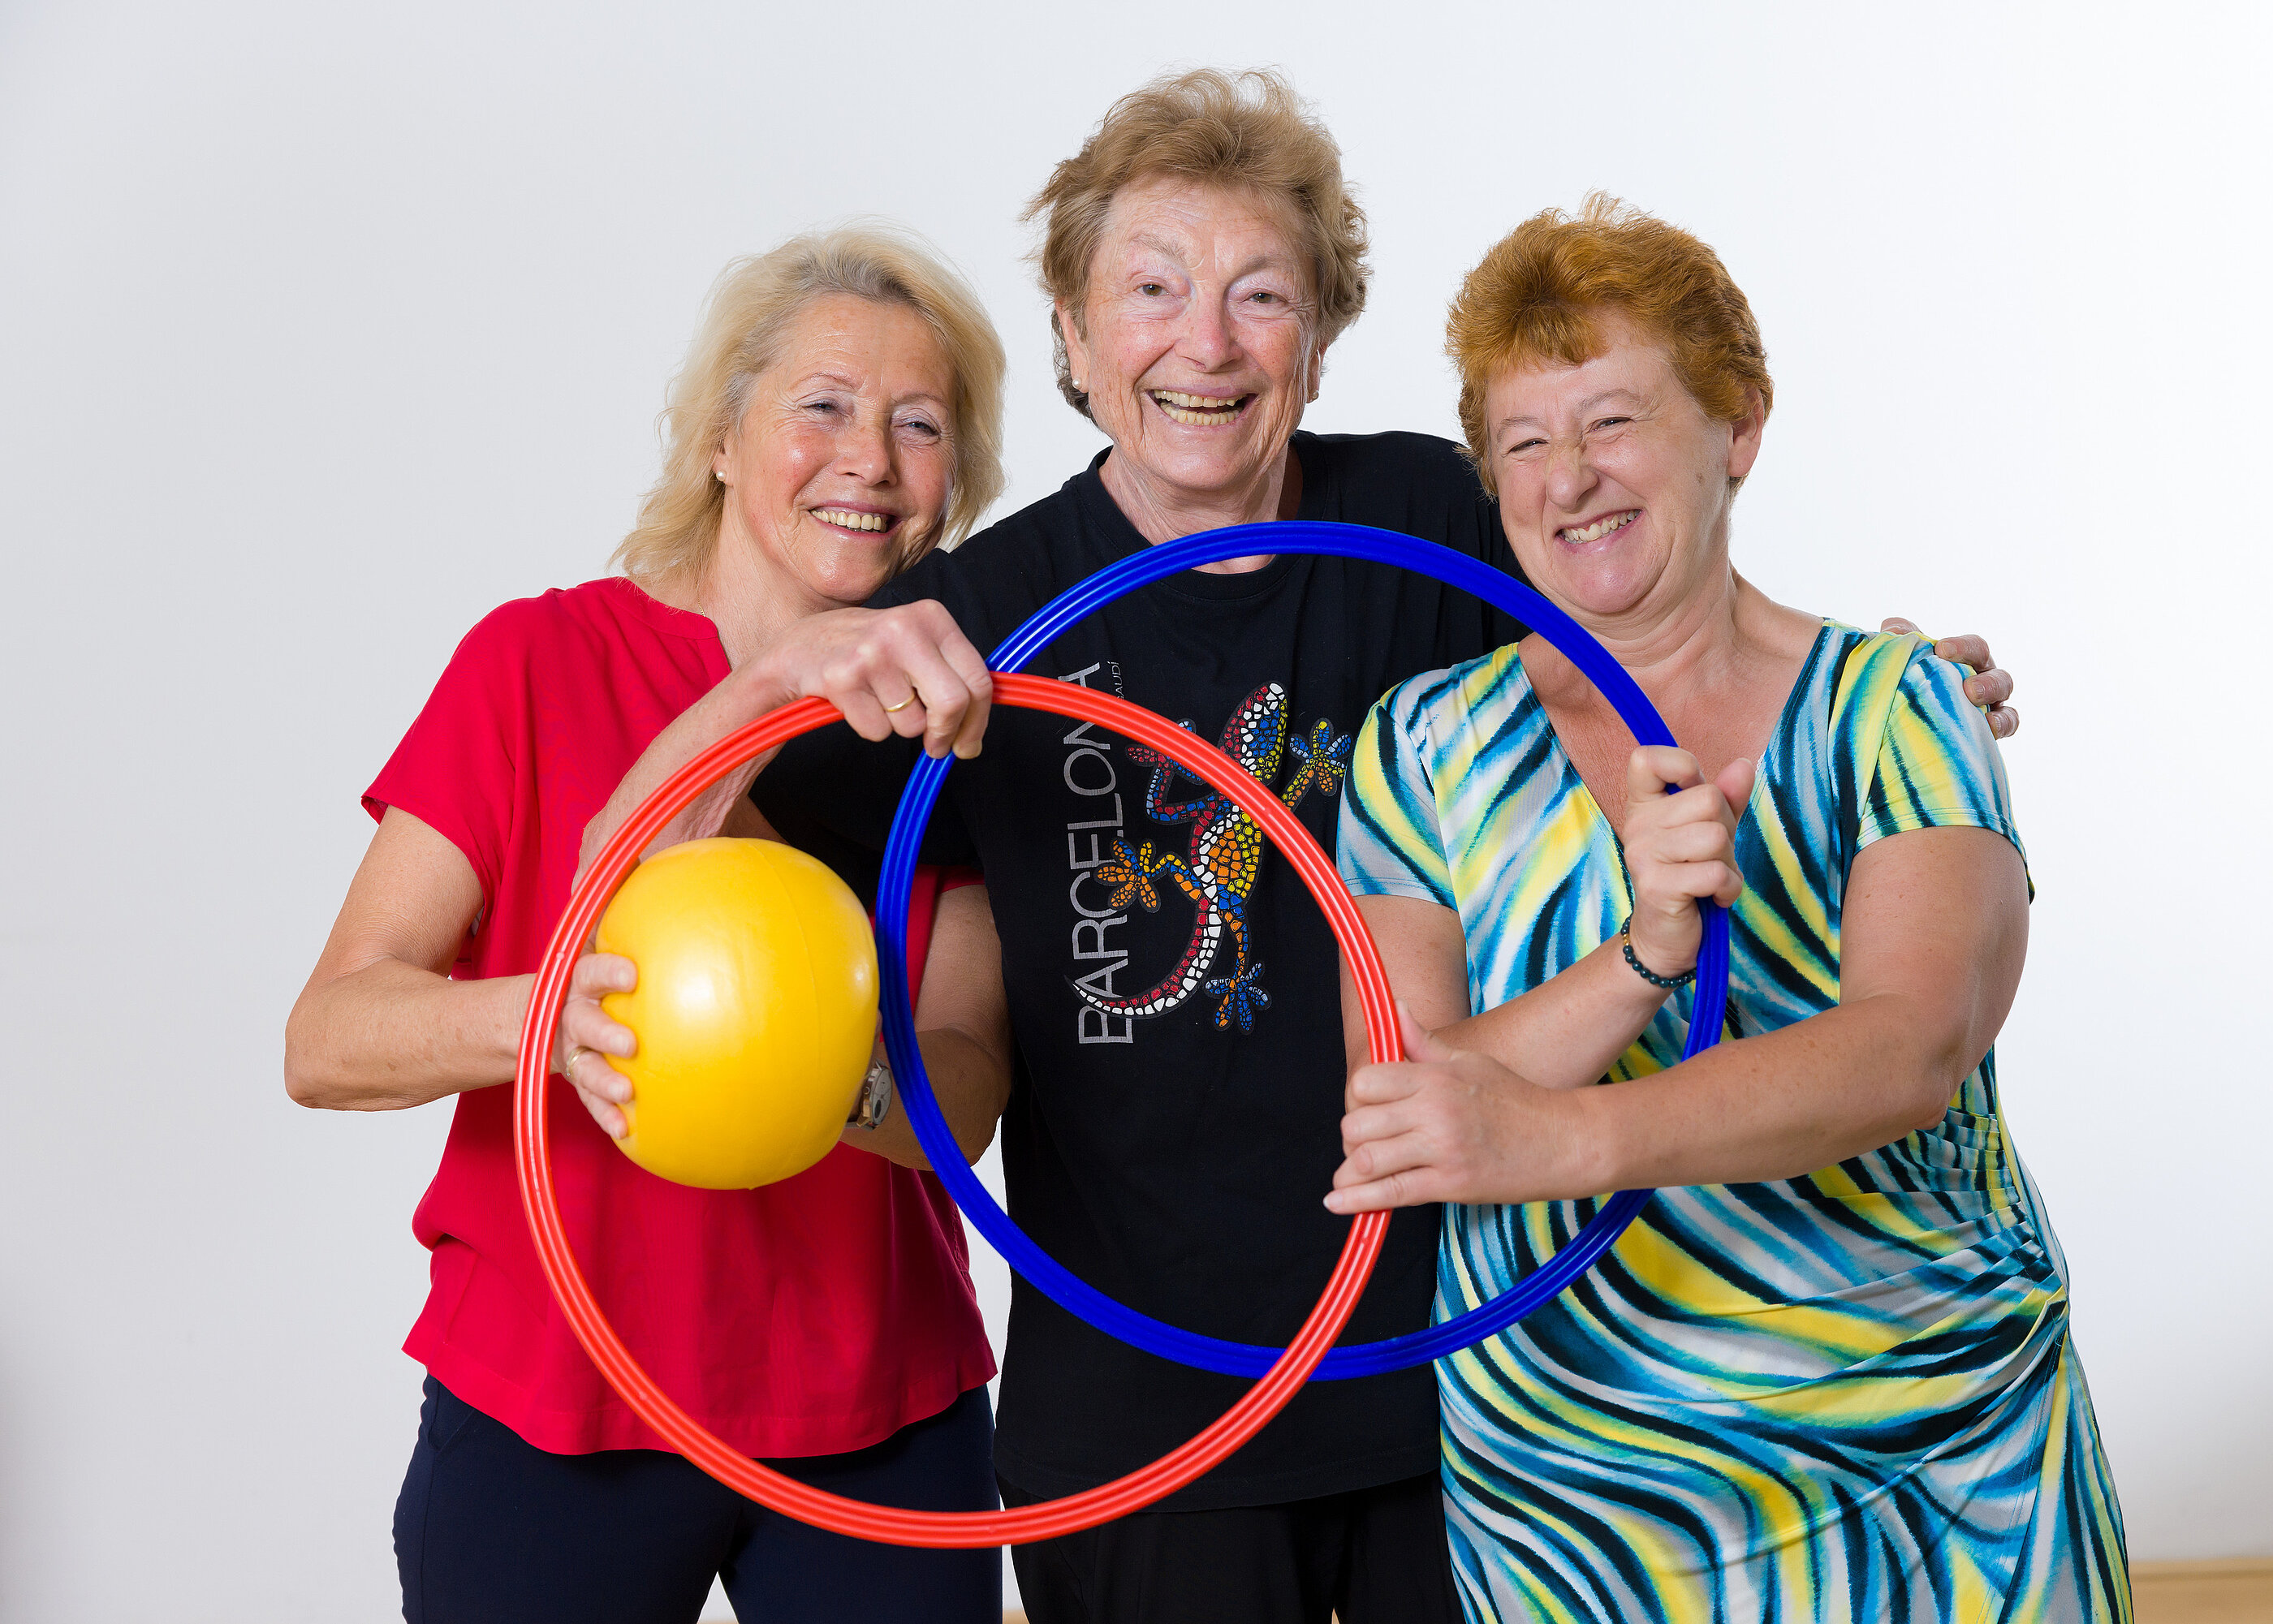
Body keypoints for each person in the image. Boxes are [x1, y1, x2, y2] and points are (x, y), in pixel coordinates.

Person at [588, 70, 2021, 1624]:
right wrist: (776, 681)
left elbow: (1650, 605)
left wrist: (1873, 683)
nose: (1204, 343)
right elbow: (632, 865)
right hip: (1144, 1418)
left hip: (1473, 1400)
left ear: (1319, 339)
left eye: (1260, 294)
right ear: (1074, 335)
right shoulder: (976, 620)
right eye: (1152, 290)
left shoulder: (1430, 517)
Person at [1325, 198, 2125, 1623]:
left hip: (1939, 1475)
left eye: (1614, 420)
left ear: (1738, 426)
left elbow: (1911, 1046)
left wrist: (1560, 1136)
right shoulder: (1423, 744)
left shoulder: (1899, 706)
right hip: (1579, 1517)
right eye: (1524, 442)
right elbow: (1409, 1096)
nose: (1571, 477)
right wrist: (1643, 953)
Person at [283, 225, 1020, 1624]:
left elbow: (966, 1092)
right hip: (553, 1401)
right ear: (722, 440)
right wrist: (551, 1020)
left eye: (920, 425)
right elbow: (326, 1038)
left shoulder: (953, 721)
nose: (869, 459)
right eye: (822, 404)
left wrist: (823, 1077)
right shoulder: (535, 661)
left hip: (878, 1405)